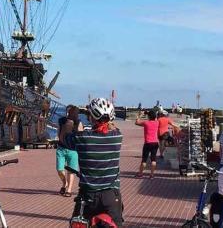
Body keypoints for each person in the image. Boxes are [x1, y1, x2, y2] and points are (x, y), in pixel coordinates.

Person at [64, 97, 123, 226]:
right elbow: (111, 127)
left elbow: (64, 138)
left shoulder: (83, 138)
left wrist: (71, 120)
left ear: (92, 117)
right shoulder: (117, 137)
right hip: (111, 196)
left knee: (78, 224)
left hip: (88, 196)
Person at [56, 105, 84, 197]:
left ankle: (69, 190)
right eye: (67, 112)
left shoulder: (78, 123)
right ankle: (64, 183)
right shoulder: (61, 121)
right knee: (60, 169)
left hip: (73, 150)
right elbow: (58, 132)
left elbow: (81, 136)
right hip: (61, 148)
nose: (67, 114)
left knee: (71, 171)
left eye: (70, 112)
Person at [135, 109, 159, 179]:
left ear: (148, 116)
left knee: (144, 160)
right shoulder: (157, 122)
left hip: (148, 143)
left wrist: (140, 115)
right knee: (153, 159)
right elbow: (155, 118)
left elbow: (136, 122)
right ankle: (152, 175)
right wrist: (152, 114)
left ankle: (140, 174)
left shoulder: (146, 123)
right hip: (155, 143)